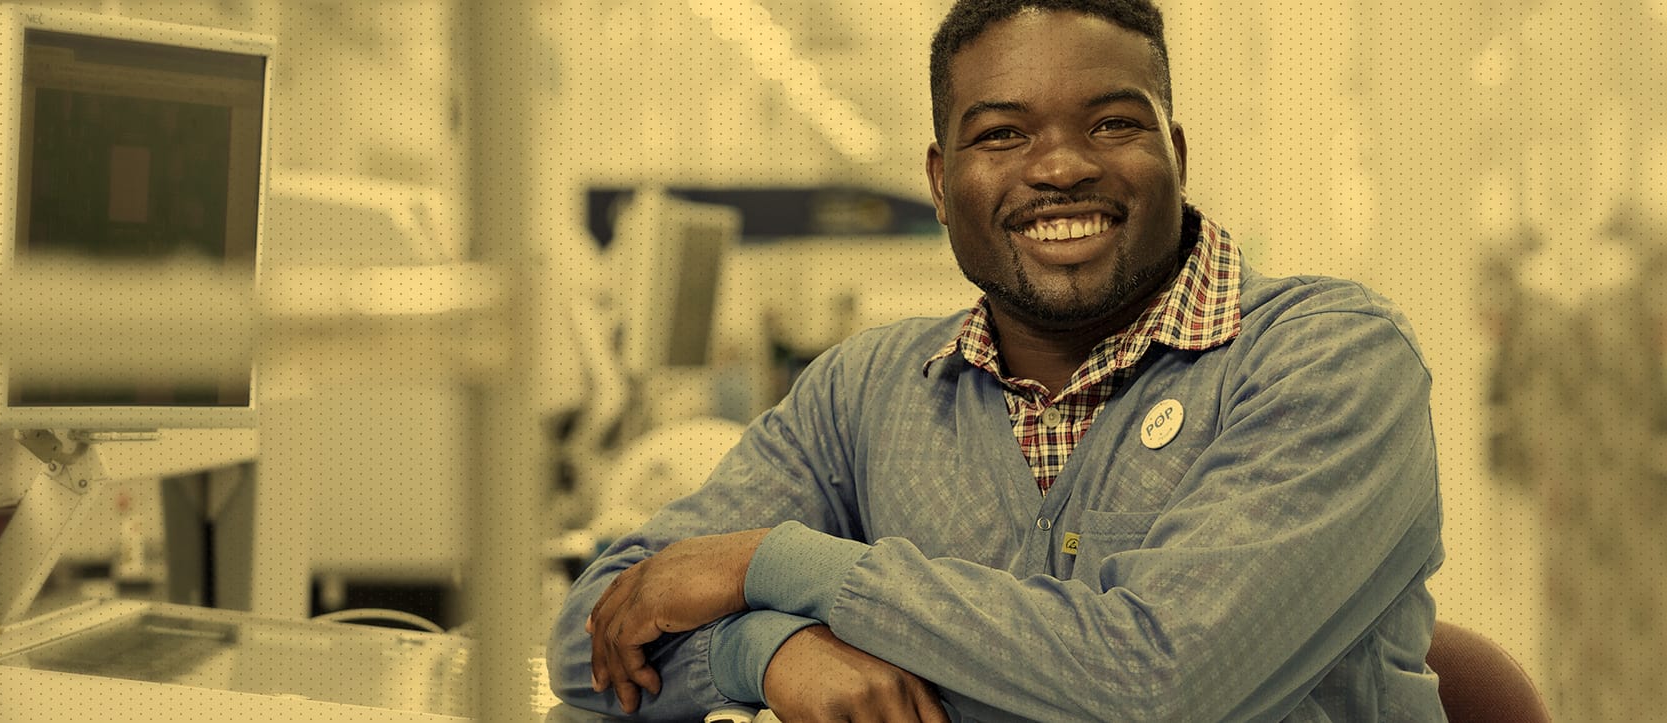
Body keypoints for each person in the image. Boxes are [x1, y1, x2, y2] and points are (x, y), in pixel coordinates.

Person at [547, 1, 1445, 720]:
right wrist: (766, 652)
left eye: (1111, 124)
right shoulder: (867, 392)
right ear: (942, 183)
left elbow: (1160, 686)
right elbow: (592, 637)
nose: (1058, 168)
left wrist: (777, 565)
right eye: (1002, 134)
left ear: (1174, 153)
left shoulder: (1327, 359)